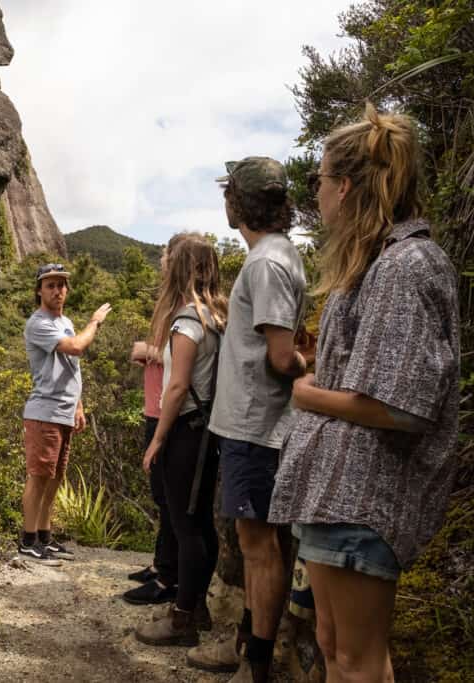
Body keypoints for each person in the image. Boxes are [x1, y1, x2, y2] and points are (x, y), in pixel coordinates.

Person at [269, 104, 459, 682]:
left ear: (345, 187)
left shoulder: (405, 267)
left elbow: (403, 406)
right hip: (337, 493)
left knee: (355, 659)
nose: (317, 192)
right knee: (336, 647)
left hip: (363, 498)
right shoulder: (377, 265)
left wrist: (307, 394)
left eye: (320, 180)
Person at [187, 157, 308, 683]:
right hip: (251, 425)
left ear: (237, 202)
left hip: (257, 428)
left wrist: (313, 366)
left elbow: (283, 357)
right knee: (257, 543)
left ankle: (255, 664)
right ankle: (243, 646)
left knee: (260, 548)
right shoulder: (274, 256)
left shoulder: (265, 264)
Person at [129, 233, 227, 646]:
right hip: (208, 432)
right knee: (201, 523)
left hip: (186, 432)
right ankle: (196, 607)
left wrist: (157, 440)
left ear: (181, 270)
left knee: (186, 526)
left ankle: (182, 618)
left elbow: (177, 387)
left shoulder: (188, 322)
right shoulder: (217, 317)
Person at [18, 263, 112, 566]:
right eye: (51, 285)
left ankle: (45, 538)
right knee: (38, 476)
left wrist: (79, 406)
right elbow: (76, 348)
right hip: (44, 411)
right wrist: (95, 322)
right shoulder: (38, 323)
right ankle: (27, 542)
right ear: (39, 290)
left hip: (64, 412)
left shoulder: (66, 321)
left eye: (61, 285)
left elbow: (73, 369)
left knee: (55, 477)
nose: (58, 290)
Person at [122, 339, 175, 602]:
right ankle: (160, 563)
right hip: (154, 413)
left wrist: (152, 352)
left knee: (169, 499)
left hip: (168, 415)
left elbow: (180, 359)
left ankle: (168, 574)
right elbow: (137, 350)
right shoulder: (166, 327)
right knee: (161, 496)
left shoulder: (186, 323)